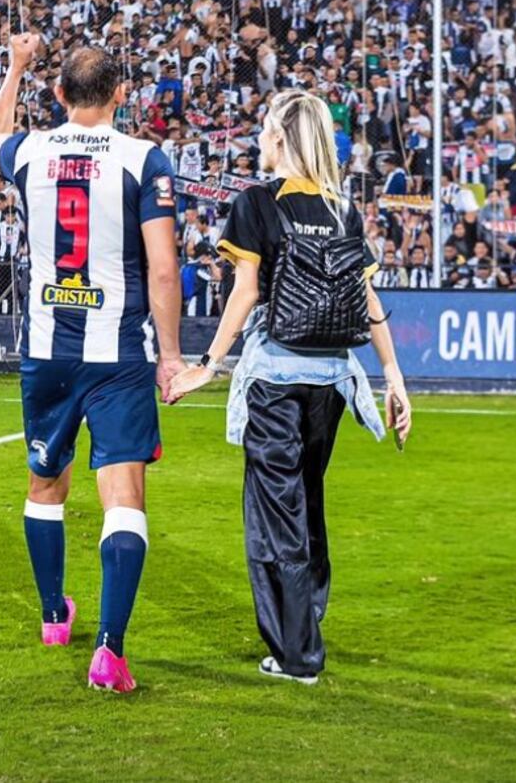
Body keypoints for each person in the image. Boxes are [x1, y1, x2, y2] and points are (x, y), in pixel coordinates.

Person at [169, 90, 411, 684]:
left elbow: (247, 292)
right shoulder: (341, 210)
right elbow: (368, 300)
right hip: (330, 383)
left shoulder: (257, 202)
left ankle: (297, 654)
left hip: (276, 382)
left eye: (266, 129)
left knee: (276, 519)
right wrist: (395, 378)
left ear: (280, 137)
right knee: (307, 508)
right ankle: (308, 621)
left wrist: (208, 363)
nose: (259, 137)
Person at [0, 34, 185, 694]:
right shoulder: (143, 158)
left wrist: (14, 67)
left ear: (60, 94)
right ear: (122, 94)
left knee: (46, 484)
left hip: (47, 349)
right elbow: (161, 267)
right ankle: (110, 649)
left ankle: (51, 614)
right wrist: (172, 355)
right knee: (123, 499)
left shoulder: (32, 151)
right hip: (118, 353)